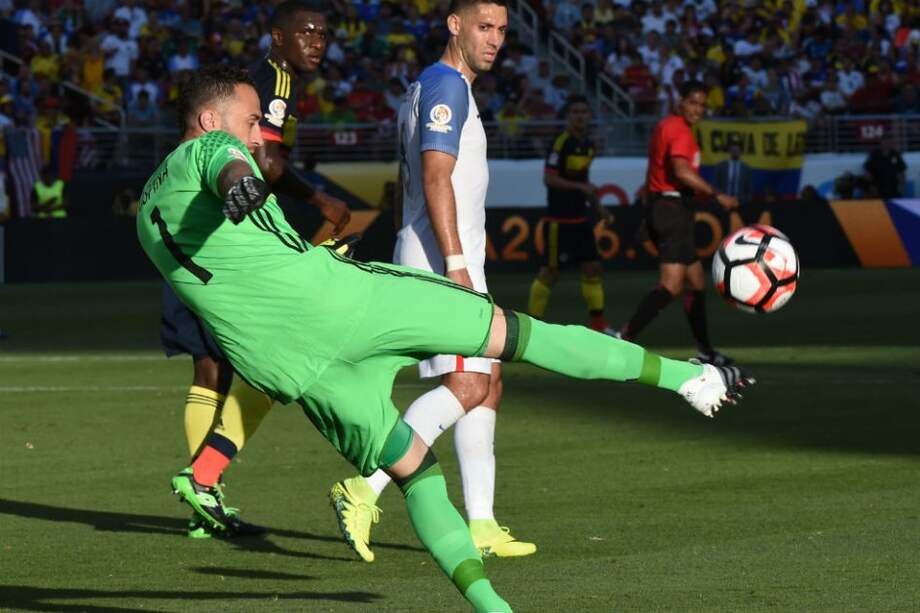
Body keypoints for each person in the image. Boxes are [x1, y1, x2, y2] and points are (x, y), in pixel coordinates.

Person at [138, 62, 751, 613]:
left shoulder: (147, 208)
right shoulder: (211, 150)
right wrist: (238, 181)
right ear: (210, 117)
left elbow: (237, 261)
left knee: (417, 474)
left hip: (292, 370)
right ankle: (688, 379)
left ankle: (492, 608)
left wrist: (272, 222)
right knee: (516, 337)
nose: (256, 135)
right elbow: (223, 161)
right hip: (349, 304)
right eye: (250, 121)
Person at [327, 0, 535, 564]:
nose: (494, 40)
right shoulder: (446, 86)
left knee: (487, 382)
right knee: (468, 386)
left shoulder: (431, 86)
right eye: (484, 27)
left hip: (446, 258)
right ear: (454, 25)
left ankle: (483, 524)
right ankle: (363, 488)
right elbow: (436, 175)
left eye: (501, 31)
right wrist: (456, 263)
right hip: (442, 265)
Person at [157, 0, 351, 539]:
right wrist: (321, 200)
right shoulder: (277, 83)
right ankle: (204, 484)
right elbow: (265, 163)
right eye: (306, 32)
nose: (317, 40)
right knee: (266, 365)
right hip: (230, 239)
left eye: (324, 33)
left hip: (200, 236)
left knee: (211, 368)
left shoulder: (260, 80)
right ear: (277, 37)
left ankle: (203, 492)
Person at [617, 80, 740, 367]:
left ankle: (706, 351)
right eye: (693, 102)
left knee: (696, 282)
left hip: (673, 208)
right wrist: (716, 194)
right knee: (671, 285)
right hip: (671, 209)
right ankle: (623, 338)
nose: (698, 109)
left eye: (702, 105)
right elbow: (681, 171)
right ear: (680, 102)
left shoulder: (670, 127)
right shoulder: (678, 130)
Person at [528, 95, 615, 333]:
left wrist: (599, 208)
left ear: (589, 116)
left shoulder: (588, 145)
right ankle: (531, 325)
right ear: (568, 117)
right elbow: (549, 179)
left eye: (584, 112)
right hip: (559, 221)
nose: (580, 116)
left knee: (593, 269)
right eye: (575, 112)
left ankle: (598, 325)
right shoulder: (560, 143)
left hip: (581, 219)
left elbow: (584, 181)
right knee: (550, 273)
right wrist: (580, 188)